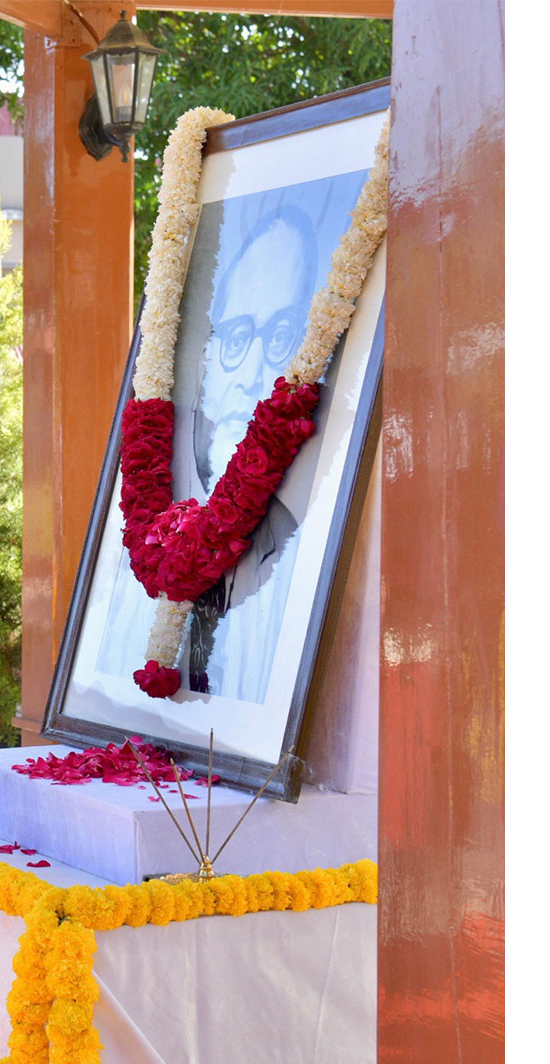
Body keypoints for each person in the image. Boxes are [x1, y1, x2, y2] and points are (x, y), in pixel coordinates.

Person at [185, 206, 319, 703]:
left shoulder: (301, 540)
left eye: (281, 336)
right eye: (238, 338)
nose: (254, 370)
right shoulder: (157, 513)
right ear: (207, 363)